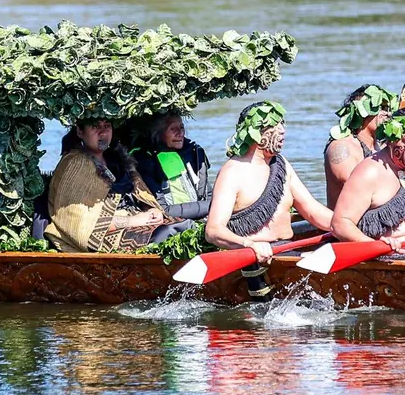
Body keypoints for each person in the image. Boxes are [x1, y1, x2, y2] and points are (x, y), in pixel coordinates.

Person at [205, 101, 333, 299]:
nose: (283, 131)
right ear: (255, 132)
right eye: (275, 126)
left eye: (283, 124)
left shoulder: (281, 165)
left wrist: (350, 225)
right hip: (253, 259)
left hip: (288, 251)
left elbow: (312, 210)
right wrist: (248, 244)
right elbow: (213, 231)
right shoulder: (232, 172)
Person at [44, 119, 192, 252]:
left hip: (138, 219)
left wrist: (152, 209)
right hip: (106, 233)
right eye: (95, 126)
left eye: (107, 126)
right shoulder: (74, 164)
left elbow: (142, 194)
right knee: (166, 233)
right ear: (80, 131)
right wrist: (131, 221)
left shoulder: (119, 159)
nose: (103, 131)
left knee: (187, 226)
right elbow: (76, 222)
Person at [330, 110, 405, 252]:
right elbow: (340, 224)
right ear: (392, 138)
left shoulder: (400, 167)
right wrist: (377, 246)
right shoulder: (370, 172)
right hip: (383, 255)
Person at [127, 113, 211, 220]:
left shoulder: (191, 153)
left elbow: (208, 193)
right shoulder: (145, 160)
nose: (180, 133)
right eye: (173, 129)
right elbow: (163, 210)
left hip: (202, 213)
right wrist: (212, 206)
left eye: (181, 127)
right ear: (159, 133)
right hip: (172, 221)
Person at [324, 84, 395, 209]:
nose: (388, 114)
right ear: (360, 111)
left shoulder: (384, 147)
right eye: (381, 108)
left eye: (388, 108)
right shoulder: (342, 147)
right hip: (350, 224)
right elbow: (358, 189)